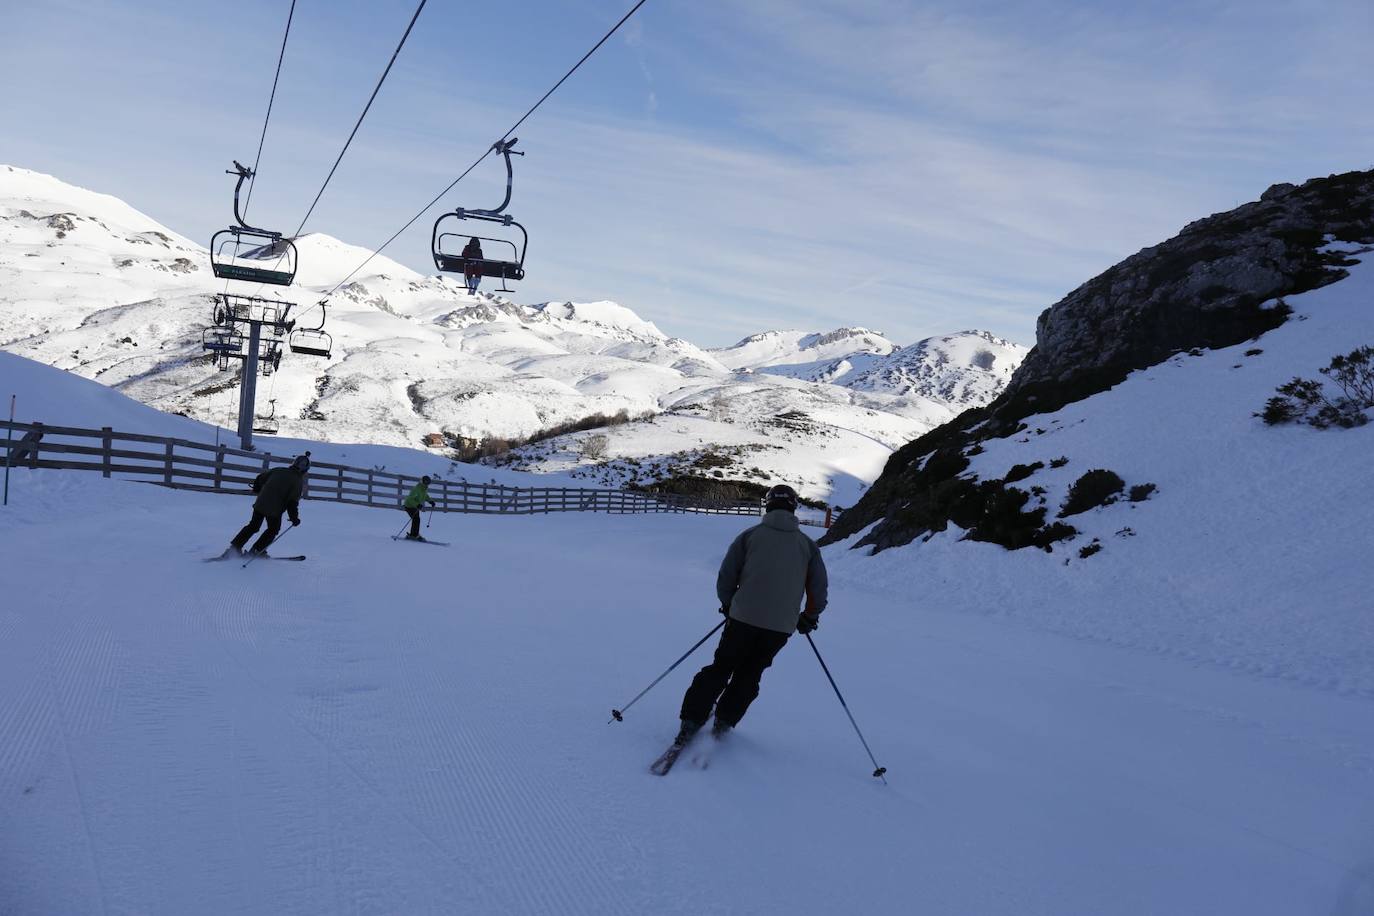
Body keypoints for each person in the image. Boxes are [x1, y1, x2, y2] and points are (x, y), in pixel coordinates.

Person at [675, 483, 828, 744]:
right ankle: (724, 721)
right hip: (780, 627)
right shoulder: (807, 546)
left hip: (742, 617)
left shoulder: (750, 536)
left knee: (721, 666)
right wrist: (809, 617)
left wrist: (729, 603)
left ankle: (692, 719)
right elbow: (818, 588)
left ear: (768, 505)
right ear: (793, 508)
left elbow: (726, 577)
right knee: (750, 673)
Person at [225, 452, 310, 557]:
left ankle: (234, 548)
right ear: (305, 469)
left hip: (260, 504)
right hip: (274, 510)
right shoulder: (297, 481)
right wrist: (294, 518)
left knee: (253, 526)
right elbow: (292, 503)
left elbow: (260, 478)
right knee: (273, 529)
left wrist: (258, 490)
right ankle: (257, 551)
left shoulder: (279, 470)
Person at [402, 475, 438, 540]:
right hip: (409, 506)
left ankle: (414, 534)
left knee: (416, 519)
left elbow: (425, 496)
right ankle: (413, 535)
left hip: (415, 506)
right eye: (426, 482)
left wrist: (430, 501)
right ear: (423, 481)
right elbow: (410, 499)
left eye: (428, 483)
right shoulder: (416, 489)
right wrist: (417, 504)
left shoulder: (424, 489)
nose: (427, 484)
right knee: (416, 519)